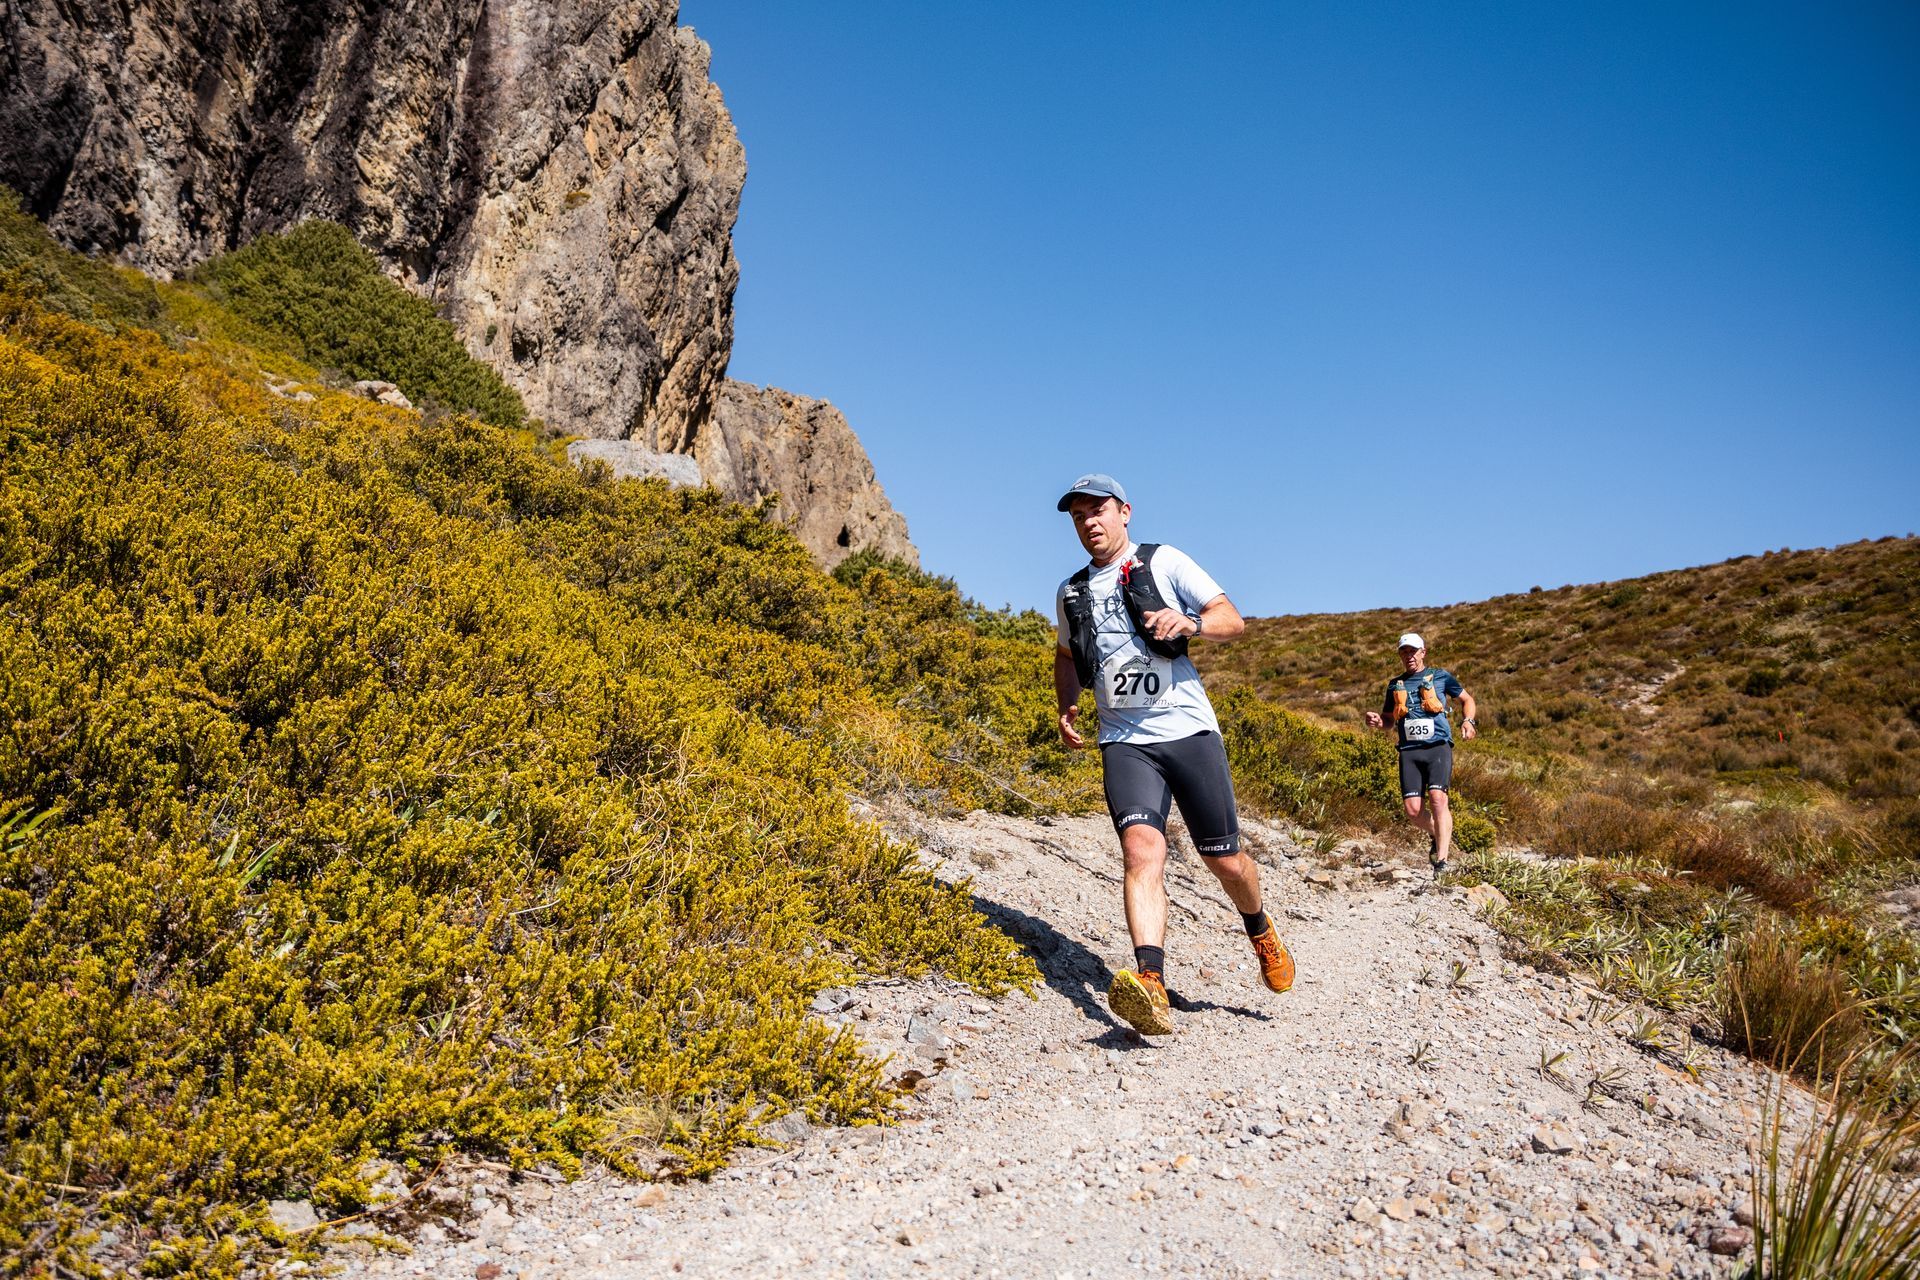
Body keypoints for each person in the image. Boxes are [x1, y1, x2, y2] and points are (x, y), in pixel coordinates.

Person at [1053, 473, 1293, 1038]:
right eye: (1078, 515)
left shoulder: (1164, 562)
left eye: (1099, 510)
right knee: (1140, 850)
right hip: (1123, 739)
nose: (1089, 522)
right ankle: (1150, 984)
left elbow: (1233, 619)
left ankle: (1259, 927)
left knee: (1224, 859)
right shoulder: (1070, 592)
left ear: (1125, 512)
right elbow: (1066, 655)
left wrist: (1191, 622)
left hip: (1187, 731)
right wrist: (1066, 706)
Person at [1362, 633, 1478, 874]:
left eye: (1413, 651)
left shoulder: (1441, 676)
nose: (1409, 656)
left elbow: (1467, 700)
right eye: (1404, 652)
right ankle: (1438, 834)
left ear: (1423, 652)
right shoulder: (1395, 685)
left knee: (1438, 798)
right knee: (1413, 811)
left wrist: (1469, 721)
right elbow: (1388, 721)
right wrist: (1376, 721)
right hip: (1409, 751)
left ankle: (1442, 862)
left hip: (1437, 746)